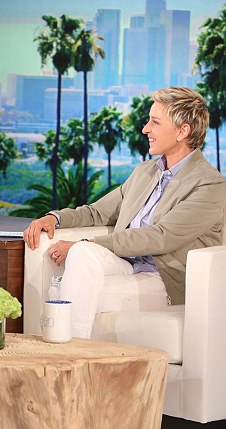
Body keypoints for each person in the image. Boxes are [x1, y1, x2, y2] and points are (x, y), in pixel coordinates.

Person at [23, 86, 226, 339]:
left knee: (72, 290)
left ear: (182, 131)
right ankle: (74, 352)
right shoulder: (145, 172)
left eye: (155, 122)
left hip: (163, 277)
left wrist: (85, 242)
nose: (145, 129)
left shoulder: (210, 185)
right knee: (82, 257)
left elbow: (160, 236)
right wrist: (55, 218)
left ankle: (70, 354)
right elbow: (98, 212)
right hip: (127, 264)